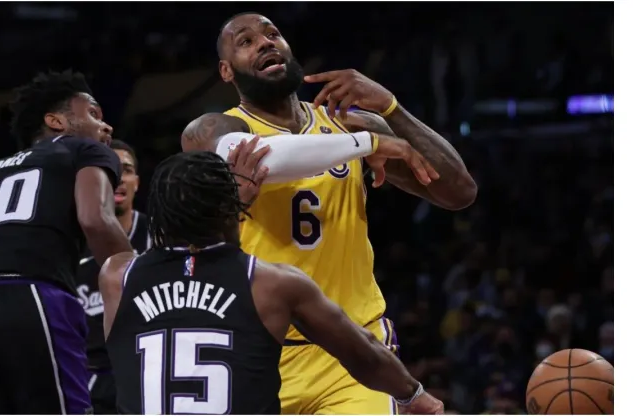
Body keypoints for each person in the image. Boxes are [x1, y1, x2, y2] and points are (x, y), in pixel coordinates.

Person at [180, 12, 477, 414]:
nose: (266, 42)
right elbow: (259, 156)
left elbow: (459, 191)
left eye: (273, 34)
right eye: (246, 41)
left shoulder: (346, 123)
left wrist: (391, 108)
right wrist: (368, 142)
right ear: (226, 70)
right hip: (261, 351)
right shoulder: (211, 130)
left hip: (354, 349)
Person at [100, 151, 444, 415]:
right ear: (229, 209)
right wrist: (413, 395)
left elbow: (99, 223)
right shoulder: (270, 283)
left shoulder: (117, 276)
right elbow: (365, 354)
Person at [0, 70, 133, 415]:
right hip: (30, 296)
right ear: (56, 121)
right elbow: (95, 220)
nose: (107, 128)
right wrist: (140, 279)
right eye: (93, 114)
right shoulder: (82, 149)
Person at [75, 139, 151, 414]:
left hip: (146, 371)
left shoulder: (161, 236)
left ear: (137, 182)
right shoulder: (70, 243)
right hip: (87, 377)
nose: (119, 178)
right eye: (110, 171)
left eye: (127, 170)